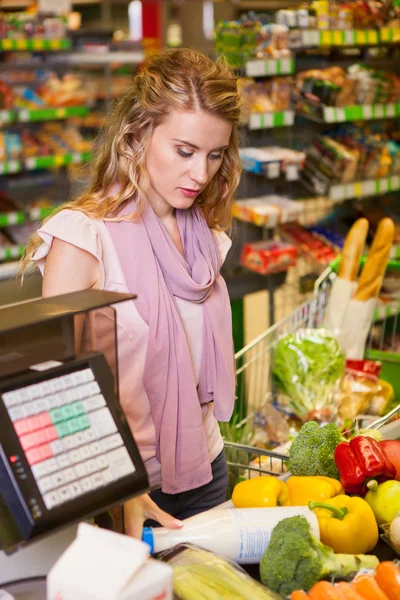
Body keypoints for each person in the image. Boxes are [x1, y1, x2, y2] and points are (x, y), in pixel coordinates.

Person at [21, 48, 242, 540]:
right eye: (184, 151)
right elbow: (54, 387)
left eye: (214, 154)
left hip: (208, 467)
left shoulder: (204, 233)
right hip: (125, 493)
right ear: (136, 136)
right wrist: (119, 486)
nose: (201, 175)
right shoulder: (84, 237)